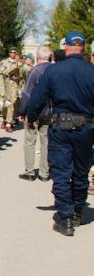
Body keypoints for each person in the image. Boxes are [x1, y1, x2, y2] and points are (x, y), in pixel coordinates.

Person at [26, 31, 94, 237]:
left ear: (65, 46)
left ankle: (65, 218)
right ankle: (77, 211)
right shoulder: (92, 71)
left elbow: (37, 97)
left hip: (61, 128)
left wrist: (31, 117)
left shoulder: (55, 71)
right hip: (86, 129)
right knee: (81, 172)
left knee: (62, 172)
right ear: (83, 47)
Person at [17, 46, 53, 182]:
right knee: (46, 142)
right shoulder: (55, 70)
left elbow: (27, 93)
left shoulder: (35, 71)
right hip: (50, 111)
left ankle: (30, 171)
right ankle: (44, 173)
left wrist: (21, 111)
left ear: (38, 58)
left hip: (34, 111)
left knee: (30, 141)